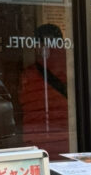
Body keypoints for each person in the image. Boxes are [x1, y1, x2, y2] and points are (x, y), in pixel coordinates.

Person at [19, 23, 70, 156]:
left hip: (36, 136)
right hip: (66, 135)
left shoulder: (29, 74)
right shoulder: (72, 67)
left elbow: (23, 102)